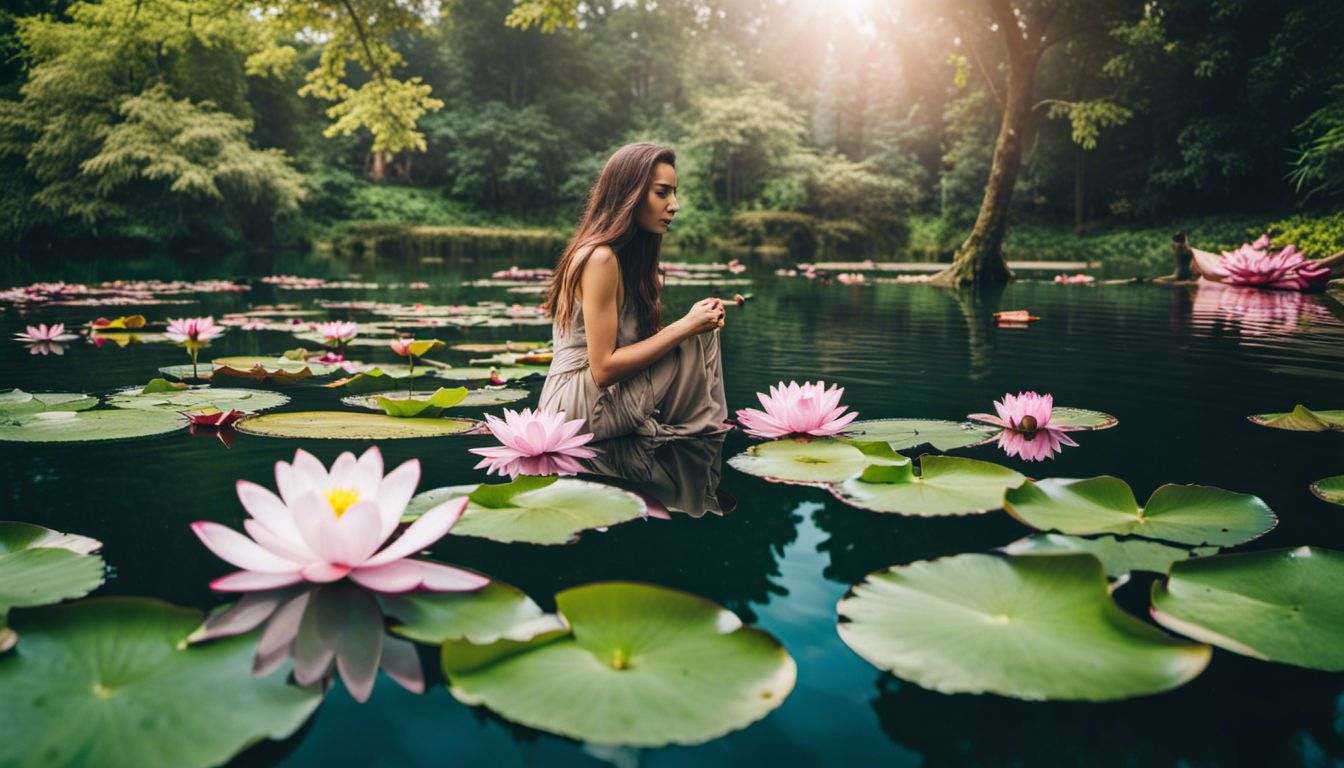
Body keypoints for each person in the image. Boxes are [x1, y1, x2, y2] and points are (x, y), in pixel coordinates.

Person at [539, 143, 729, 440]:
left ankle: (697, 430)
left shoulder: (621, 257)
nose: (674, 205)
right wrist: (687, 325)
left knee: (700, 330)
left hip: (582, 400)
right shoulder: (600, 258)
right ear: (630, 194)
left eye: (674, 193)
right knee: (694, 336)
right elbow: (603, 370)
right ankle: (698, 435)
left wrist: (694, 323)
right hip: (577, 410)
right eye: (662, 192)